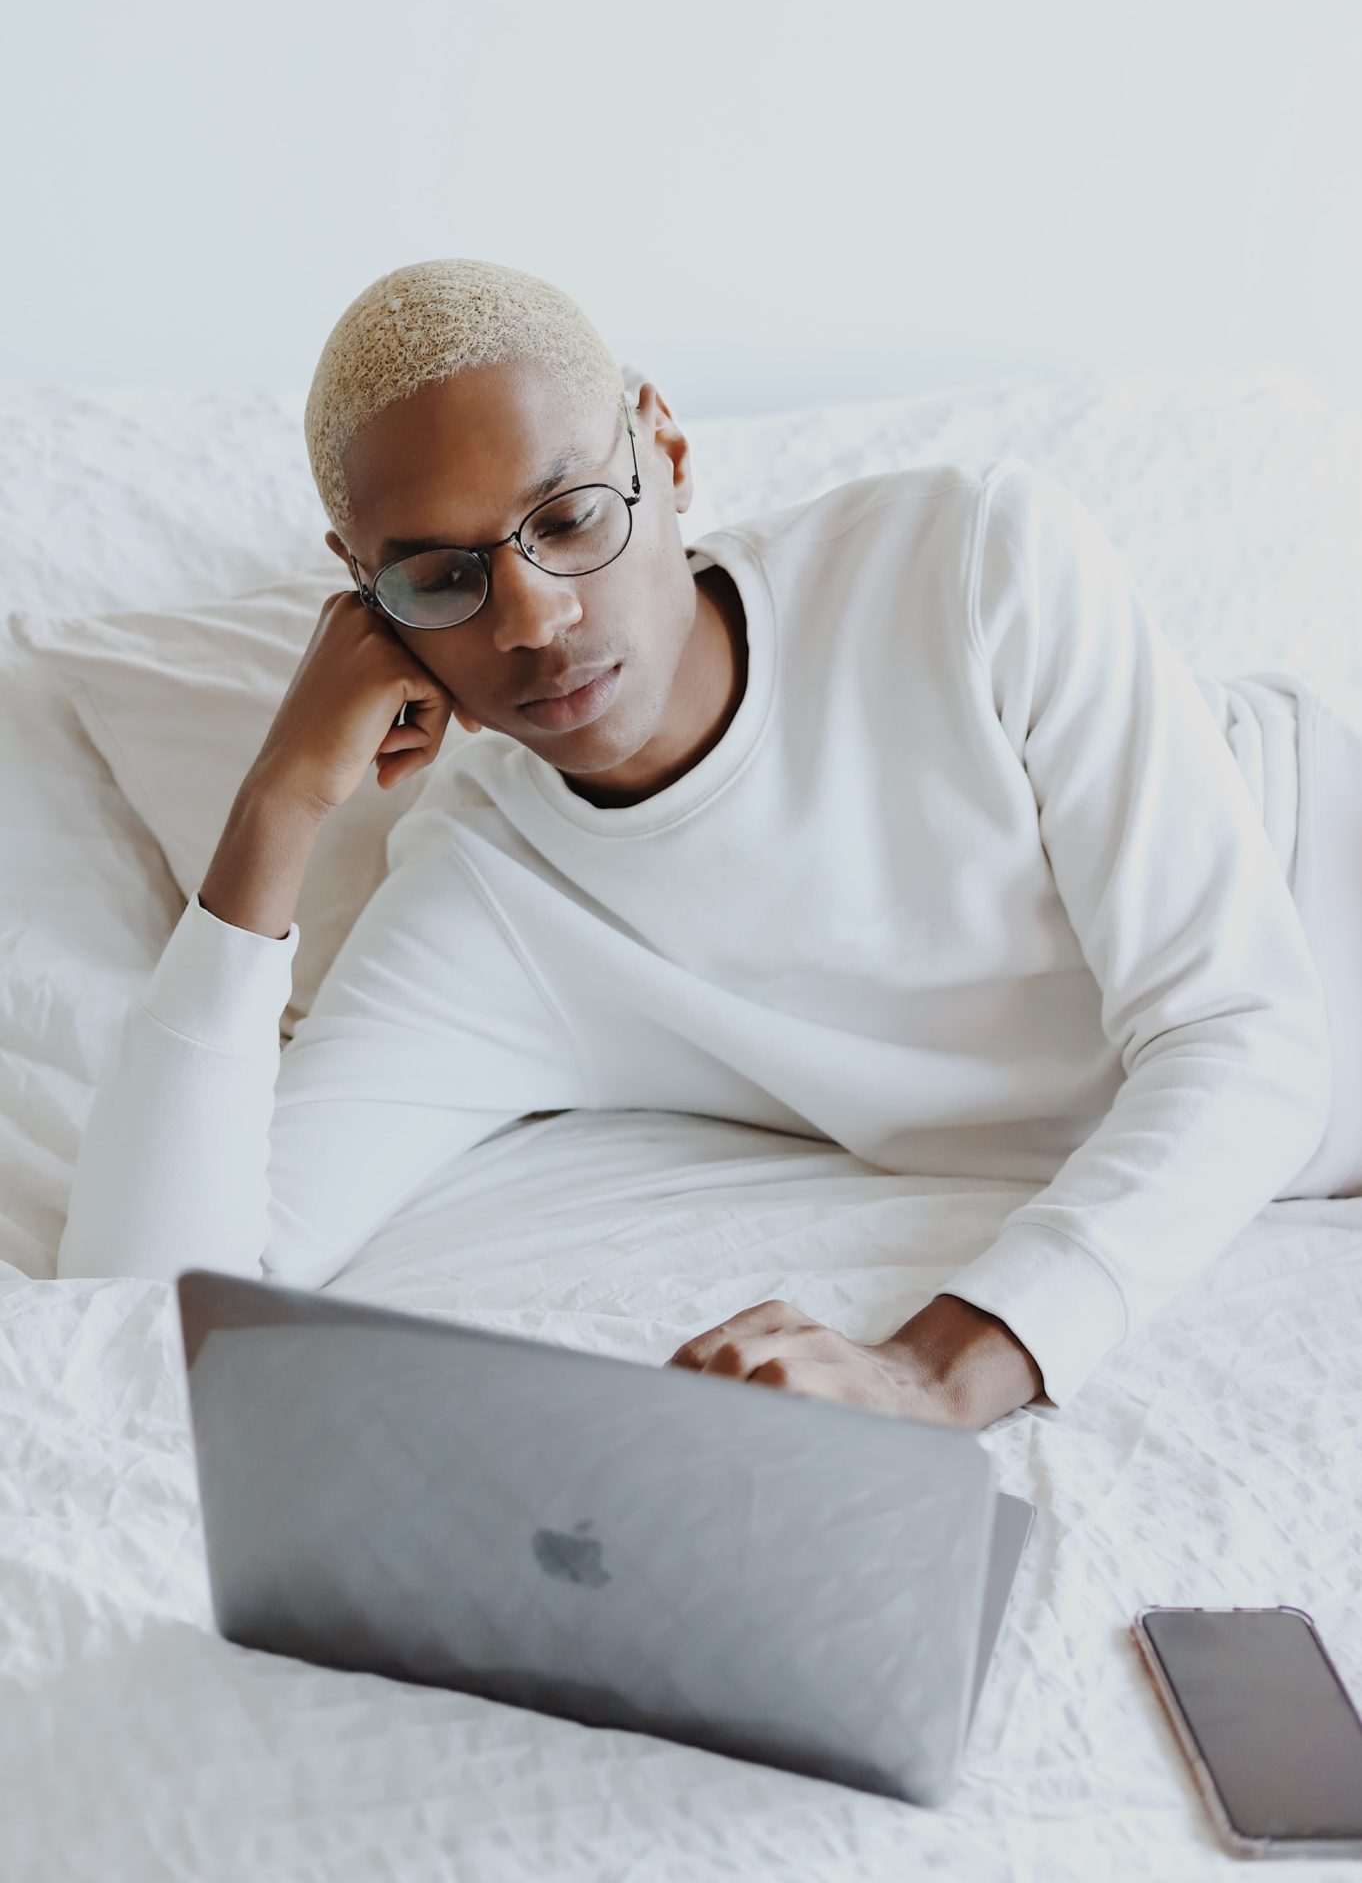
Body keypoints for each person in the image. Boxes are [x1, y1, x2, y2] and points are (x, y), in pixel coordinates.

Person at [55, 258, 1362, 1428]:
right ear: (364, 593)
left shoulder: (966, 559)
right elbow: (147, 1303)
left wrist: (929, 1371)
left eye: (567, 517)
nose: (533, 619)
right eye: (440, 578)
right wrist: (276, 807)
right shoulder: (488, 903)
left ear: (664, 449)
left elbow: (1244, 1036)